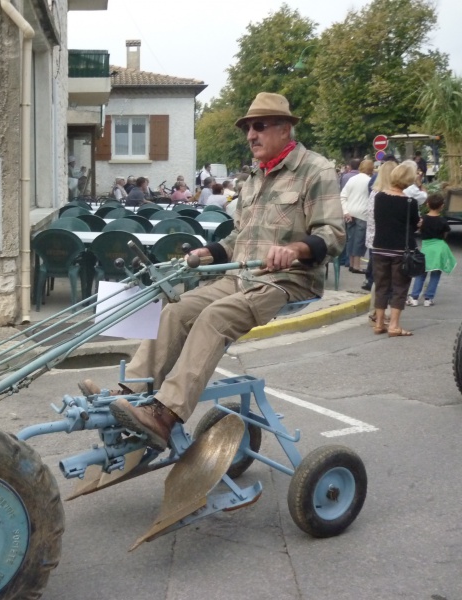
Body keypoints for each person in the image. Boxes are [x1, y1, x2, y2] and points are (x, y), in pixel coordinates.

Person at [82, 92, 344, 450]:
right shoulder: (253, 178)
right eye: (248, 128)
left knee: (214, 317)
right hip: (239, 276)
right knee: (175, 310)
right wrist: (206, 253)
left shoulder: (315, 170)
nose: (251, 134)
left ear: (285, 129)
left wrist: (294, 250)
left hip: (287, 281)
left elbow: (332, 234)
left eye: (260, 126)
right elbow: (238, 239)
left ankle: (165, 415)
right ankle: (131, 396)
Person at [369, 160, 421, 337]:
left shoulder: (379, 197)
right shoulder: (410, 202)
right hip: (400, 250)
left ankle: (378, 323)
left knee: (382, 285)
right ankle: (394, 325)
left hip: (379, 247)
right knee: (399, 287)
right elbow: (413, 226)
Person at [406, 193, 457, 307]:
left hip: (426, 247)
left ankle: (414, 297)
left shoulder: (423, 219)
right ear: (442, 206)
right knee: (436, 273)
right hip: (439, 248)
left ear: (427, 204)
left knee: (421, 273)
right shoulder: (443, 221)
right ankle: (429, 298)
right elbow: (445, 233)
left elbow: (417, 230)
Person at [362, 161, 397, 293]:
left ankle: (376, 309)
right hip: (387, 241)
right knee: (388, 278)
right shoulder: (388, 195)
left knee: (378, 276)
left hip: (373, 238)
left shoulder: (374, 193)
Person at [341, 159, 374, 274]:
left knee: (351, 239)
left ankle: (350, 263)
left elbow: (343, 196)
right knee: (359, 241)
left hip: (350, 213)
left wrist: (345, 211)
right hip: (363, 214)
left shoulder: (351, 179)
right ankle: (357, 266)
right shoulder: (370, 181)